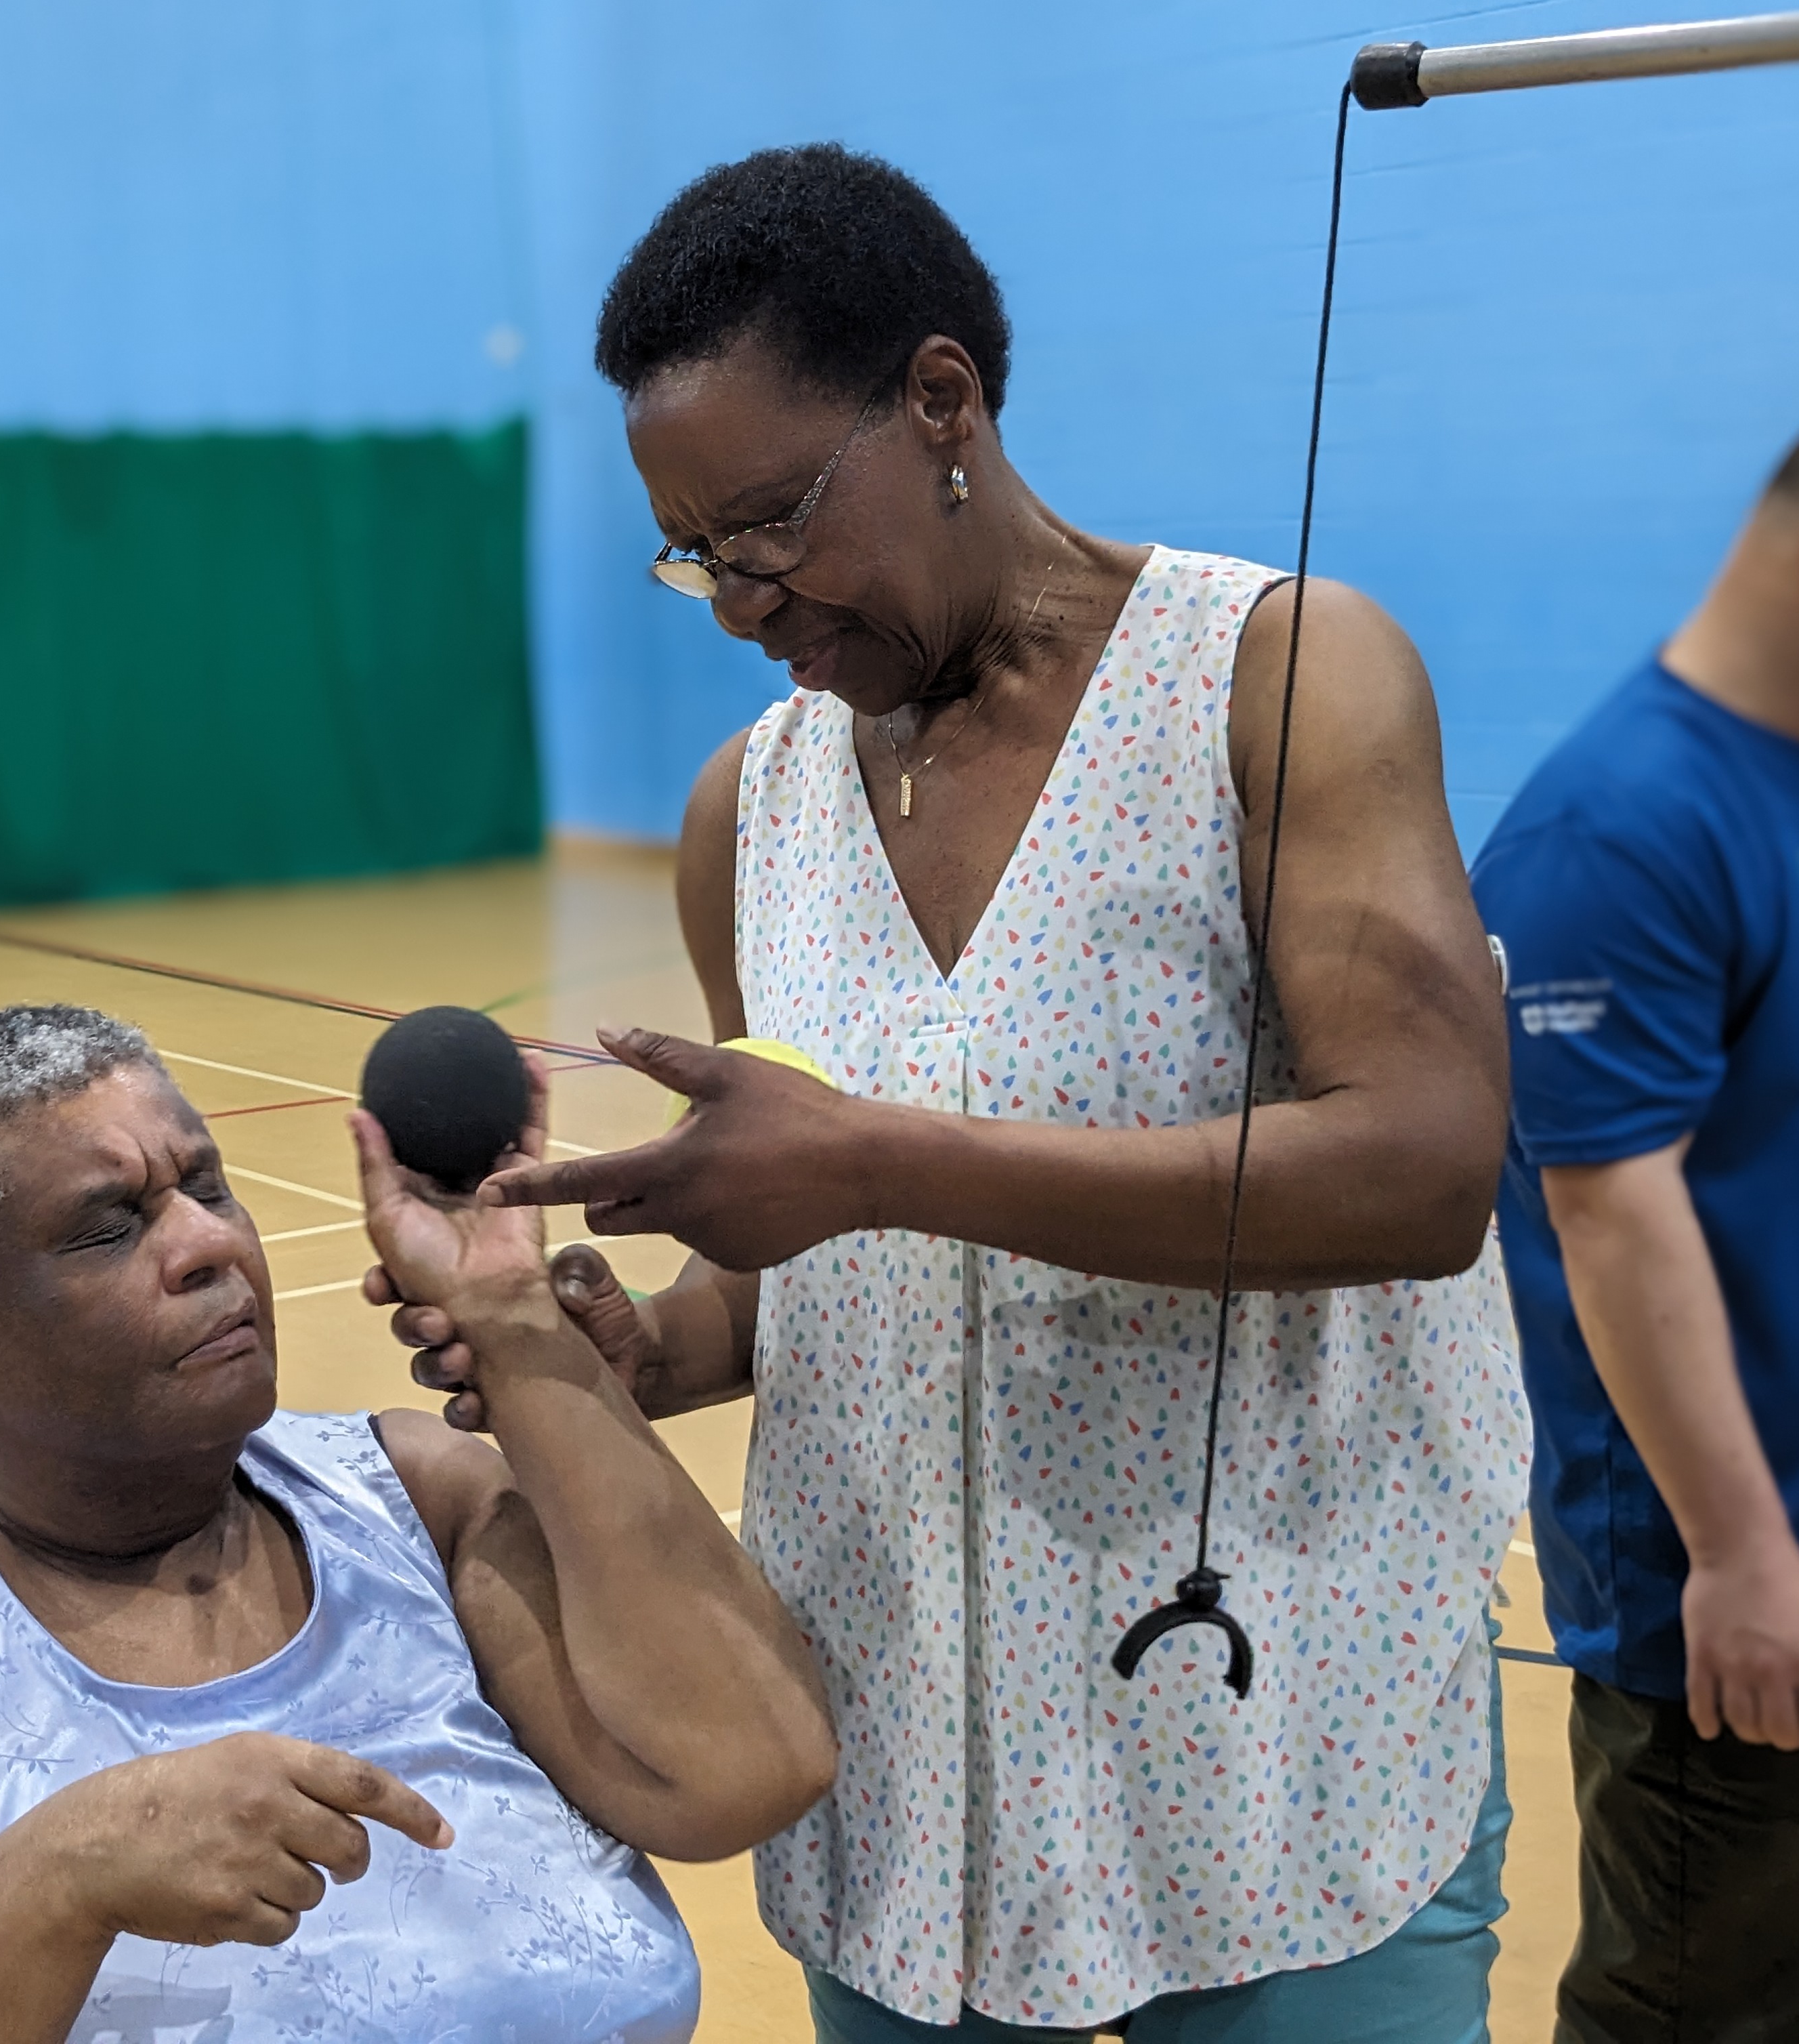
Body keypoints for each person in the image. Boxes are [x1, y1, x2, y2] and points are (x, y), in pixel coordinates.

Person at [382, 146, 1531, 2041]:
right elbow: (788, 1261)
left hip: (1273, 1721)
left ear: (941, 404)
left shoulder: (1277, 682)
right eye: (698, 555)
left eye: (771, 525)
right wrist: (631, 1351)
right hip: (912, 1767)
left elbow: (1419, 1173)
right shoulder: (747, 811)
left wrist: (873, 1163)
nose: (744, 604)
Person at [0, 1002, 836, 2044]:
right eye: (109, 1226)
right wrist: (61, 1878)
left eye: (206, 1187)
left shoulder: (410, 1498)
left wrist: (514, 1321)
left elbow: (752, 1766)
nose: (206, 1246)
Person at [1467, 383, 1799, 2043]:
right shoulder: (1616, 828)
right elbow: (1615, 1216)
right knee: (1714, 2011)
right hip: (1744, 1603)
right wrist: (1745, 1555)